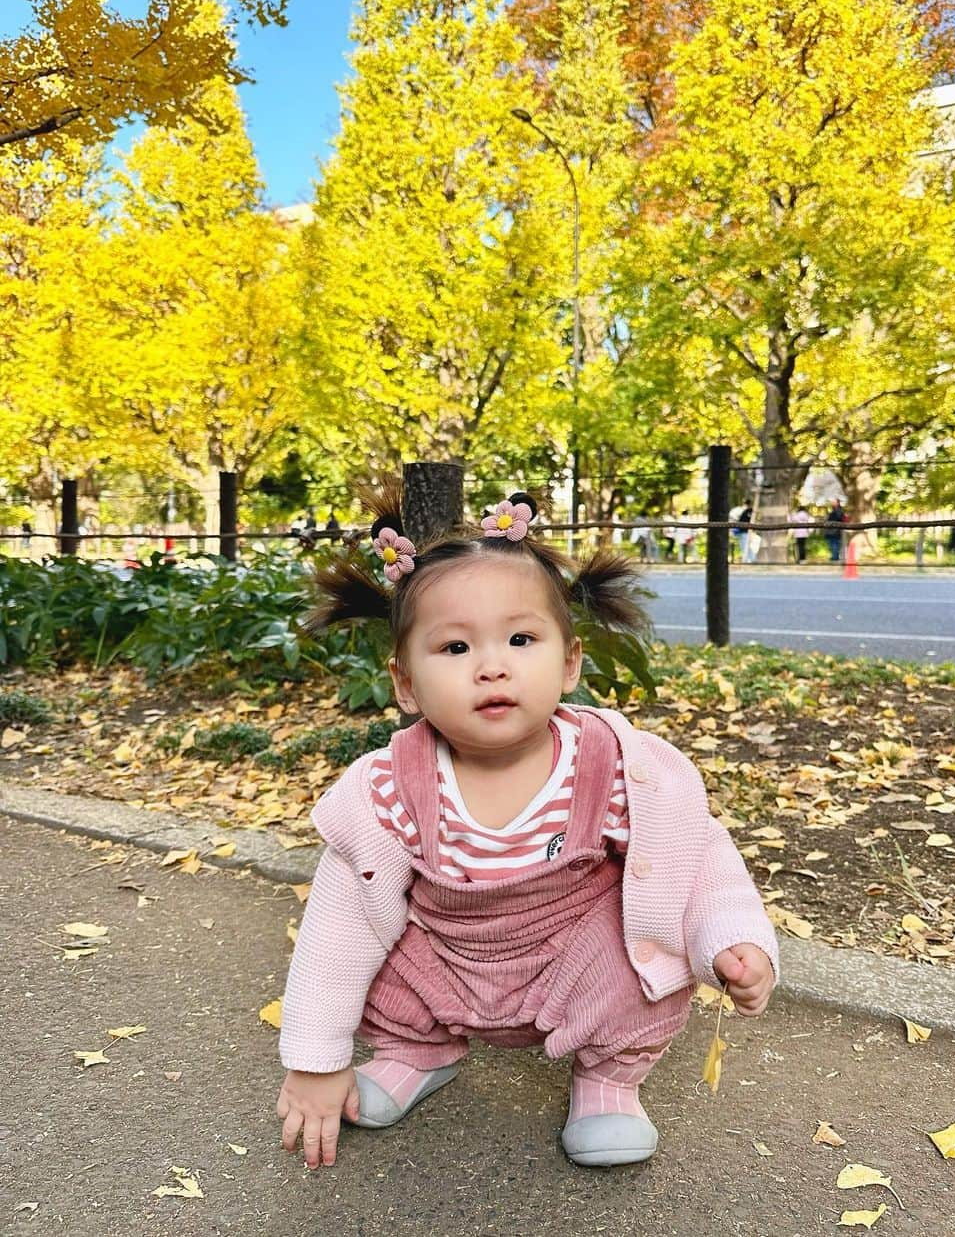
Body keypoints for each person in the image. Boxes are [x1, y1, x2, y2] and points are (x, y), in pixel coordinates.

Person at [276, 484, 777, 1172]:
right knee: (378, 948)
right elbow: (340, 925)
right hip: (448, 957)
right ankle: (416, 1054)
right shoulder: (388, 787)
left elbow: (695, 854)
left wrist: (732, 937)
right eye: (454, 647)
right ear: (406, 684)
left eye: (520, 638)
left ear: (569, 662)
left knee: (635, 972)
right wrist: (315, 1060)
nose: (492, 665)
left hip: (572, 953)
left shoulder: (615, 767)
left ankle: (609, 1082)